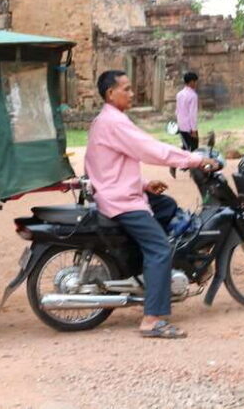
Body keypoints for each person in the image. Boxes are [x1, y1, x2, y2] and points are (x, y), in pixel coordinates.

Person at [84, 70, 218, 339]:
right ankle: (152, 319)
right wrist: (194, 159)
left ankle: (151, 273)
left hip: (118, 192)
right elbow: (151, 149)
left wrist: (143, 184)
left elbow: (107, 165)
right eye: (127, 88)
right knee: (159, 249)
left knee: (166, 206)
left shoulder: (106, 120)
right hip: (121, 201)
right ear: (111, 94)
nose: (132, 93)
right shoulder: (114, 122)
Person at [175, 71, 200, 151]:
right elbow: (192, 114)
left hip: (181, 125)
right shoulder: (193, 96)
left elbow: (177, 110)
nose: (196, 84)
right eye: (195, 82)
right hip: (189, 127)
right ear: (192, 82)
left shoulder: (179, 94)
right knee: (193, 149)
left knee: (185, 146)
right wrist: (194, 130)